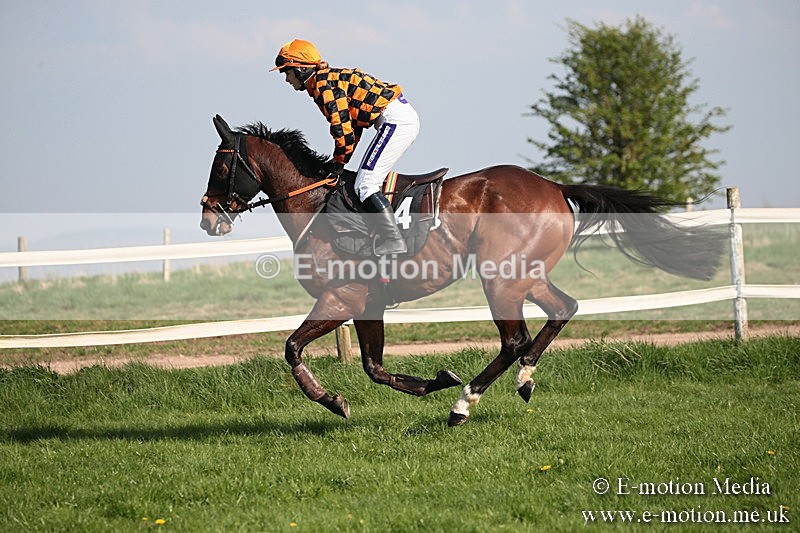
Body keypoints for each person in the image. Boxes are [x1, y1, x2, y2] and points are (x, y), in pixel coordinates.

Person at [271, 39, 419, 255]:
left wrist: (338, 164)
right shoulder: (323, 81)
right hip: (394, 118)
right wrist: (339, 162)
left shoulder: (323, 85)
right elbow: (352, 128)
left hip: (395, 120)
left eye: (287, 71)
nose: (286, 79)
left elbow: (343, 133)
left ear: (302, 69)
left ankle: (393, 239)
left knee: (366, 184)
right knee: (364, 180)